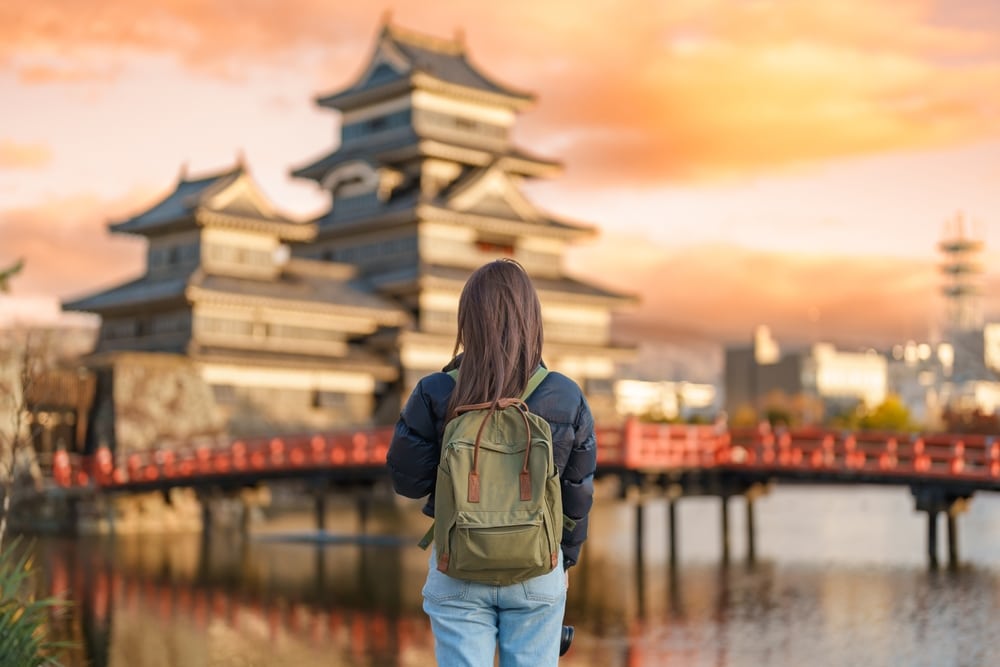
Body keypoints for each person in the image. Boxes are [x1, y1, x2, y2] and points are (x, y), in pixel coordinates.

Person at [386, 258, 597, 666]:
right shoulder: (565, 395)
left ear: (468, 322)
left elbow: (406, 481)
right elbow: (577, 493)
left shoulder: (436, 390)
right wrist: (564, 557)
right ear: (531, 319)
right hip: (537, 568)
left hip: (458, 564)